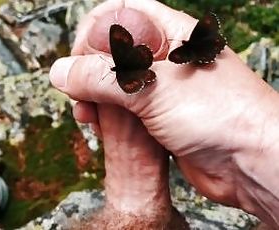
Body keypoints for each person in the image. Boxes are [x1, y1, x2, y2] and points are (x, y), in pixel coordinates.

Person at [49, 0, 279, 229]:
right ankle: (255, 150)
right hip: (163, 61)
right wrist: (258, 126)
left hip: (140, 75)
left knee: (133, 218)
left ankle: (135, 211)